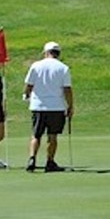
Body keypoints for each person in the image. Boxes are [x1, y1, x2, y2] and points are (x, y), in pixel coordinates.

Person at [23, 40, 74, 172]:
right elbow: (67, 89)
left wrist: (26, 95)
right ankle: (50, 162)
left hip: (38, 106)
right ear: (58, 53)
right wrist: (70, 106)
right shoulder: (63, 68)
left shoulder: (36, 66)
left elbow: (29, 85)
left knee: (36, 135)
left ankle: (32, 158)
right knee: (52, 136)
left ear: (46, 53)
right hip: (56, 107)